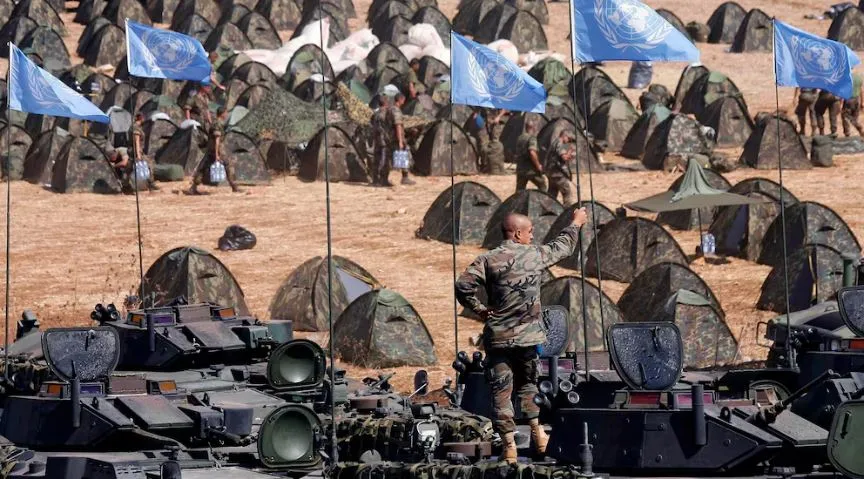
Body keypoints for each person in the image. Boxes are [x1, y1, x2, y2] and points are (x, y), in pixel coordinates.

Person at [455, 208, 589, 463]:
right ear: (517, 233)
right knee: (529, 386)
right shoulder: (534, 255)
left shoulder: (487, 260)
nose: (532, 235)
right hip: (528, 339)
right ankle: (539, 436)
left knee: (501, 392)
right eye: (530, 231)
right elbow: (564, 247)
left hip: (499, 340)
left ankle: (509, 448)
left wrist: (480, 309)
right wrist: (576, 222)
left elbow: (463, 285)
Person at [190, 107, 241, 194]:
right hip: (217, 149)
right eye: (226, 113)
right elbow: (217, 139)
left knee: (203, 167)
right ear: (222, 114)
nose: (226, 115)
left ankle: (193, 187)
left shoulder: (214, 122)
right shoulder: (218, 124)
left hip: (211, 149)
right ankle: (234, 186)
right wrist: (217, 154)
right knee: (228, 165)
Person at [370, 92, 415, 186]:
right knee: (401, 154)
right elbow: (397, 125)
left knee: (381, 159)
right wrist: (400, 140)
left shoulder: (377, 113)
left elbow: (372, 124)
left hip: (379, 139)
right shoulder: (393, 111)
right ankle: (404, 177)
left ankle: (379, 179)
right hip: (391, 138)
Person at [129, 112, 159, 191]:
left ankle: (149, 183)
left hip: (136, 150)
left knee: (133, 167)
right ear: (141, 118)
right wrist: (138, 155)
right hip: (135, 151)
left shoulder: (135, 127)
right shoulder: (136, 128)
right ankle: (151, 183)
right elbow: (136, 141)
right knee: (149, 164)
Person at [545, 130, 576, 206]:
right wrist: (571, 151)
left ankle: (547, 209)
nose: (568, 141)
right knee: (567, 193)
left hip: (551, 173)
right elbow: (564, 158)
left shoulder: (554, 142)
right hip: (557, 174)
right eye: (568, 139)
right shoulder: (559, 143)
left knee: (552, 194)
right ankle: (567, 209)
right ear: (564, 136)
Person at [515, 120, 547, 193]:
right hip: (530, 170)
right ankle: (542, 199)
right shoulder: (532, 138)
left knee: (519, 190)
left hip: (520, 168)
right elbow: (532, 152)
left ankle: (518, 200)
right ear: (533, 128)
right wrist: (538, 166)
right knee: (542, 185)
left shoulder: (520, 138)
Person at [484, 109, 507, 175]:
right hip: (489, 122)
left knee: (495, 143)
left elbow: (505, 108)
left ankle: (497, 167)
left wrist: (499, 117)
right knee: (489, 144)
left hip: (497, 123)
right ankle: (489, 165)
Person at [842, 71, 864, 137]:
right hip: (857, 100)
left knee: (845, 116)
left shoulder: (846, 78)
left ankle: (847, 133)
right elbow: (861, 91)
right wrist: (862, 102)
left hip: (848, 100)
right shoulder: (859, 77)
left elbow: (843, 90)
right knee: (855, 117)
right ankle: (859, 129)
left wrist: (840, 103)